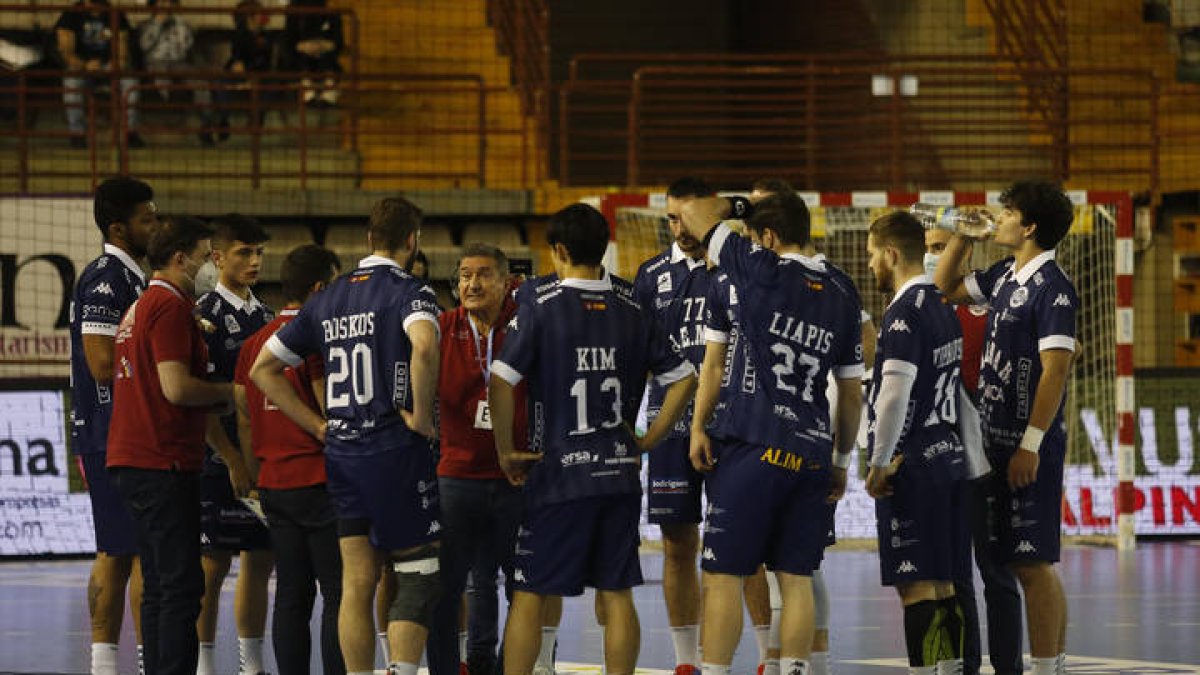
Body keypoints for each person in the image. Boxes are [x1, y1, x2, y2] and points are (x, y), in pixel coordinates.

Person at [489, 203, 698, 675]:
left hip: (559, 475)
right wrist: (647, 439)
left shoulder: (540, 306)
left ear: (559, 250)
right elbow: (684, 377)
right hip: (619, 475)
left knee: (529, 593)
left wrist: (505, 450)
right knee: (617, 593)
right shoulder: (634, 307)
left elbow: (501, 380)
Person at [252, 196, 442, 675]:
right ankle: (400, 670)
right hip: (394, 451)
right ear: (412, 241)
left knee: (357, 581)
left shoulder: (328, 296)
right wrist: (421, 417)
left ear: (368, 238)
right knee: (417, 569)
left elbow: (263, 369)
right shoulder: (410, 291)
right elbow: (424, 346)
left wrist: (318, 425)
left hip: (342, 455)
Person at [679, 193, 863, 675]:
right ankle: (796, 669)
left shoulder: (761, 270)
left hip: (755, 443)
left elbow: (696, 211)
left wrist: (741, 204)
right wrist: (841, 462)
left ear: (768, 237)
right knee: (796, 577)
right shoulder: (844, 292)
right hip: (812, 453)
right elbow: (850, 393)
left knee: (722, 575)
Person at [933, 180, 1078, 675]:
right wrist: (961, 236)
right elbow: (945, 287)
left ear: (1030, 226)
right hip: (989, 443)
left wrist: (1031, 445)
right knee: (1010, 560)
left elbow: (1055, 370)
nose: (999, 217)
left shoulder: (1053, 288)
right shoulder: (1002, 276)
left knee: (1032, 562)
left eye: (1008, 211)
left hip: (1026, 446)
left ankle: (1047, 667)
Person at [748, 178, 878, 675]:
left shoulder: (828, 282)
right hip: (761, 430)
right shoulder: (758, 278)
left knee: (801, 562)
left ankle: (805, 661)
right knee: (773, 561)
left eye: (760, 212)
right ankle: (778, 658)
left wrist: (838, 382)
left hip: (804, 429)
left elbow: (865, 340)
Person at [107, 216, 232, 675]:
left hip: (136, 459)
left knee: (161, 583)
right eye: (204, 258)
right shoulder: (170, 307)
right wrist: (228, 394)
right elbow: (176, 388)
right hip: (161, 461)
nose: (209, 268)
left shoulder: (143, 305)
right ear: (180, 258)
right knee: (180, 584)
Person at [863, 211, 977, 675]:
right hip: (947, 457)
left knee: (917, 587)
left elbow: (894, 395)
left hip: (913, 465)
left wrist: (879, 461)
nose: (870, 264)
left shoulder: (903, 315)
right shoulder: (942, 305)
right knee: (946, 585)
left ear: (891, 254)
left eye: (872, 254)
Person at [233, 244, 344, 675]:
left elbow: (243, 417)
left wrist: (258, 474)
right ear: (320, 288)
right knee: (338, 593)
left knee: (292, 595)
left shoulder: (252, 345)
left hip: (276, 484)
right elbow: (327, 405)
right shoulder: (314, 335)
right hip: (320, 478)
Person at [630, 177, 720, 675]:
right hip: (669, 429)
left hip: (731, 428)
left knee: (737, 547)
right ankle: (688, 663)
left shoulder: (734, 268)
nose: (678, 227)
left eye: (686, 216)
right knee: (677, 543)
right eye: (670, 218)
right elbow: (636, 360)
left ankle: (770, 658)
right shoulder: (650, 276)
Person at [69, 176, 159, 675]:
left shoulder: (133, 278)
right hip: (111, 435)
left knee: (126, 551)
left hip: (121, 435)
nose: (157, 226)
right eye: (148, 219)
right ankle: (114, 664)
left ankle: (126, 662)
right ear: (120, 228)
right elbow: (102, 362)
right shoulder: (108, 277)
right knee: (126, 551)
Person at [925, 228, 1024, 675]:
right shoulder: (921, 308)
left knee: (998, 574)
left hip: (989, 460)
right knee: (954, 577)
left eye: (941, 247)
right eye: (927, 248)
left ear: (965, 250)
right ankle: (963, 667)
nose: (934, 257)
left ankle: (1009, 668)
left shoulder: (1001, 305)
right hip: (943, 462)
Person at [425, 244, 525, 675]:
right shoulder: (441, 329)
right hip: (457, 479)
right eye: (464, 275)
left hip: (516, 478)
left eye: (483, 274)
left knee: (525, 589)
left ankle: (516, 667)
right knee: (446, 591)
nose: (472, 284)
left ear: (507, 282)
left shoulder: (525, 329)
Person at [193, 214, 275, 675]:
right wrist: (229, 458)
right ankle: (204, 665)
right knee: (212, 563)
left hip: (258, 458)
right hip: (215, 458)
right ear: (217, 257)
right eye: (244, 252)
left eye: (259, 252)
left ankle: (252, 665)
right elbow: (199, 399)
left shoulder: (265, 316)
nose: (254, 260)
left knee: (260, 561)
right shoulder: (202, 314)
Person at [55, 0, 142, 148]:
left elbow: (122, 48)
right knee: (72, 84)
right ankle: (78, 135)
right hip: (81, 67)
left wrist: (116, 64)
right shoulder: (71, 14)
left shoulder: (115, 14)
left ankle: (130, 133)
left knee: (130, 83)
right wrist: (84, 65)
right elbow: (65, 51)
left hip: (110, 66)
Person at [208, 0, 280, 145]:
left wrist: (252, 76)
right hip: (239, 74)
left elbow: (266, 61)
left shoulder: (266, 36)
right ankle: (223, 121)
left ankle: (257, 120)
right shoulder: (240, 34)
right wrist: (241, 72)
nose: (262, 17)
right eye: (258, 14)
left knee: (272, 84)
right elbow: (237, 58)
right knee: (221, 83)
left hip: (259, 74)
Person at [285, 0, 344, 106]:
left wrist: (323, 45)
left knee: (328, 61)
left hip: (325, 55)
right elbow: (289, 41)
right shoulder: (294, 15)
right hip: (301, 56)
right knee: (301, 61)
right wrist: (303, 46)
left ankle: (328, 93)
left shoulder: (332, 15)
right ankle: (308, 92)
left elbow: (338, 42)